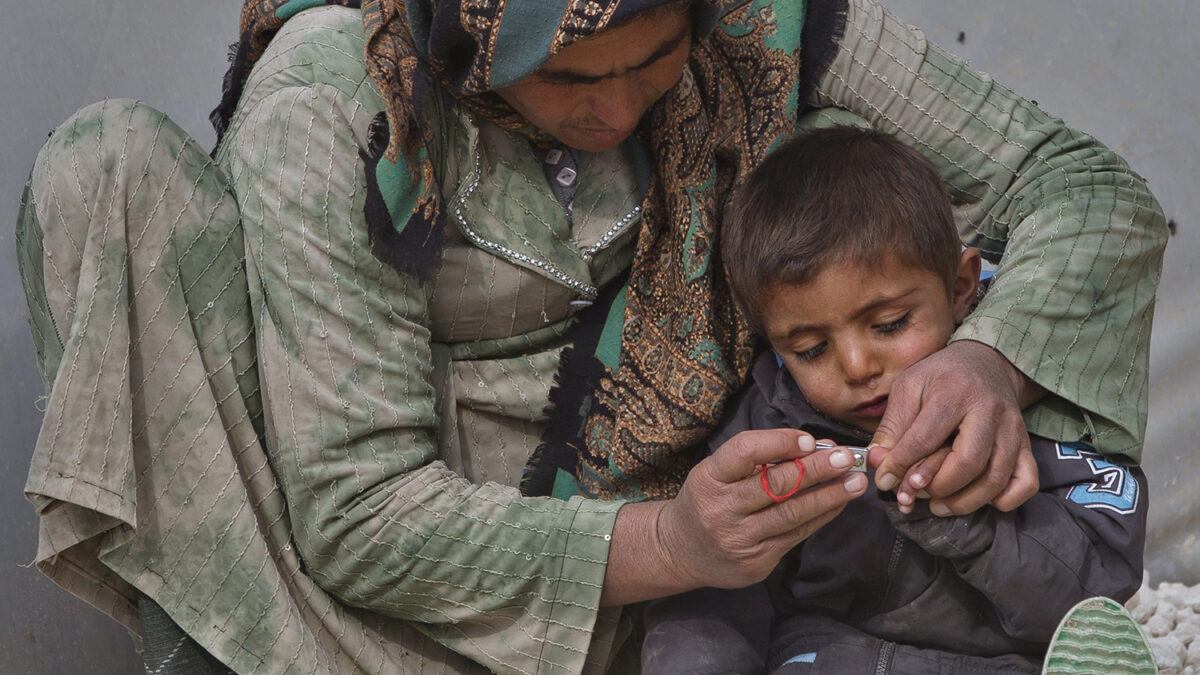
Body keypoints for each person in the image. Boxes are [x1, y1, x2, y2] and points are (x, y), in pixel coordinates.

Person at [14, 0, 1166, 672]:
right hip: (350, 600)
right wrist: (671, 542)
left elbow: (1081, 187)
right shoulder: (337, 94)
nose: (615, 108)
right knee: (104, 168)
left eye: (653, 58)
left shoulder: (762, 16)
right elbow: (355, 513)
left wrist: (983, 361)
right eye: (565, 74)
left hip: (677, 616)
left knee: (895, 242)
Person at [640, 126, 1150, 674]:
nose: (858, 368)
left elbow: (1092, 598)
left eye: (890, 323)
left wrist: (963, 522)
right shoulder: (767, 433)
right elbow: (718, 594)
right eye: (811, 350)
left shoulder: (1038, 414)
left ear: (960, 289)